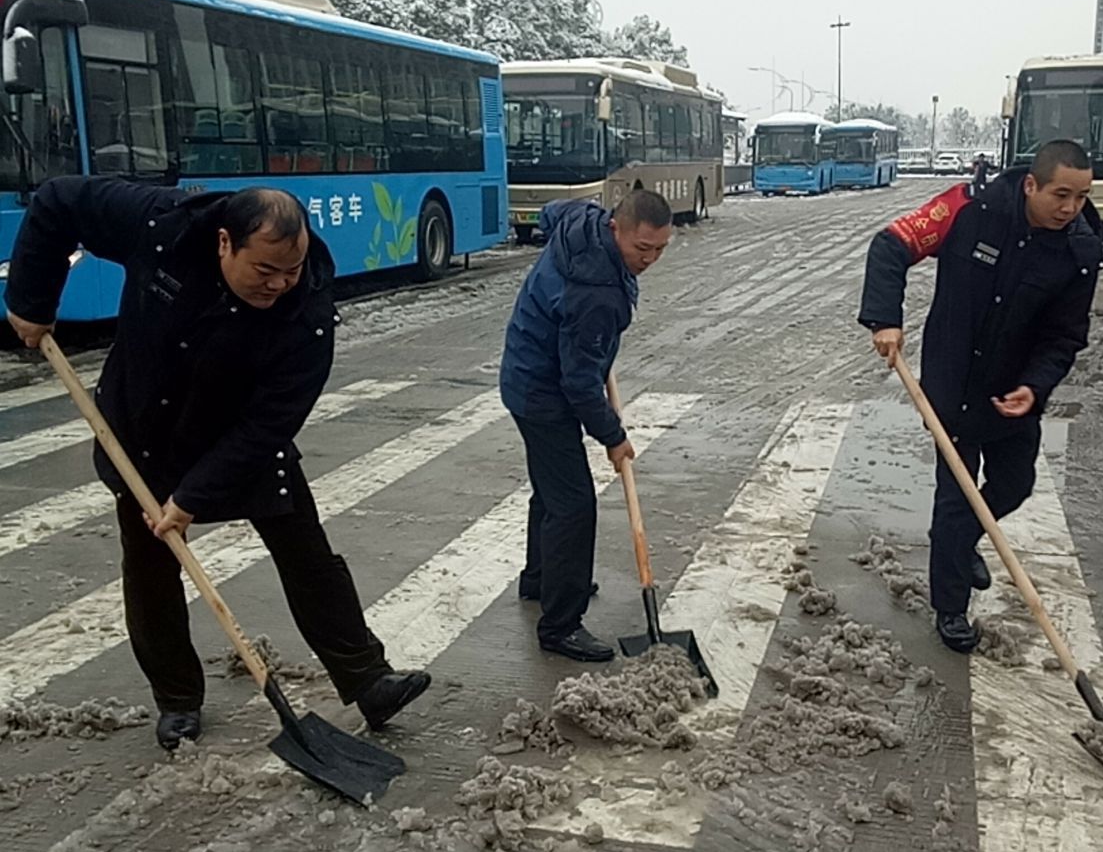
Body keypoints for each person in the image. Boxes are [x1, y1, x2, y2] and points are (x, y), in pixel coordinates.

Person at [4, 178, 431, 750]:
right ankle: (178, 700)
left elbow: (269, 425)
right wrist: (32, 301)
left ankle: (368, 680)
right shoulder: (163, 227)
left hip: (239, 437)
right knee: (151, 570)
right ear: (225, 242)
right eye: (265, 271)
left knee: (307, 553)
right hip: (145, 433)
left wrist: (191, 499)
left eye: (291, 271)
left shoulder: (307, 314)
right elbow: (57, 202)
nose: (279, 284)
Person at [858, 141, 1103, 653]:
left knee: (1014, 485)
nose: (1070, 208)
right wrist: (885, 319)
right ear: (1031, 185)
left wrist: (1035, 386)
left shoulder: (1081, 250)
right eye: (1061, 195)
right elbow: (891, 245)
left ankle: (962, 539)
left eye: (1081, 197)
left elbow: (1065, 336)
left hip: (1014, 388)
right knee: (957, 495)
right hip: (952, 380)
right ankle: (950, 607)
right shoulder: (968, 209)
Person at [499, 189, 672, 663]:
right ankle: (560, 625)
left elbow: (551, 213)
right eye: (642, 248)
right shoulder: (596, 294)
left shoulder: (582, 219)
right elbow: (578, 385)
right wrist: (614, 437)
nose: (649, 260)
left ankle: (540, 580)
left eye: (660, 249)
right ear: (616, 227)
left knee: (551, 490)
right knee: (573, 505)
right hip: (542, 392)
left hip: (525, 371)